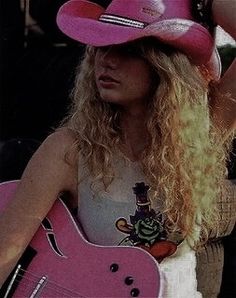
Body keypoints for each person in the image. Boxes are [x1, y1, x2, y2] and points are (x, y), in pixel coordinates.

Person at [0, 0, 235, 296]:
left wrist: (205, 4)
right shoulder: (70, 149)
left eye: (127, 49)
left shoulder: (201, 134)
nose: (106, 60)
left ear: (163, 64)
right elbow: (5, 252)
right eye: (100, 46)